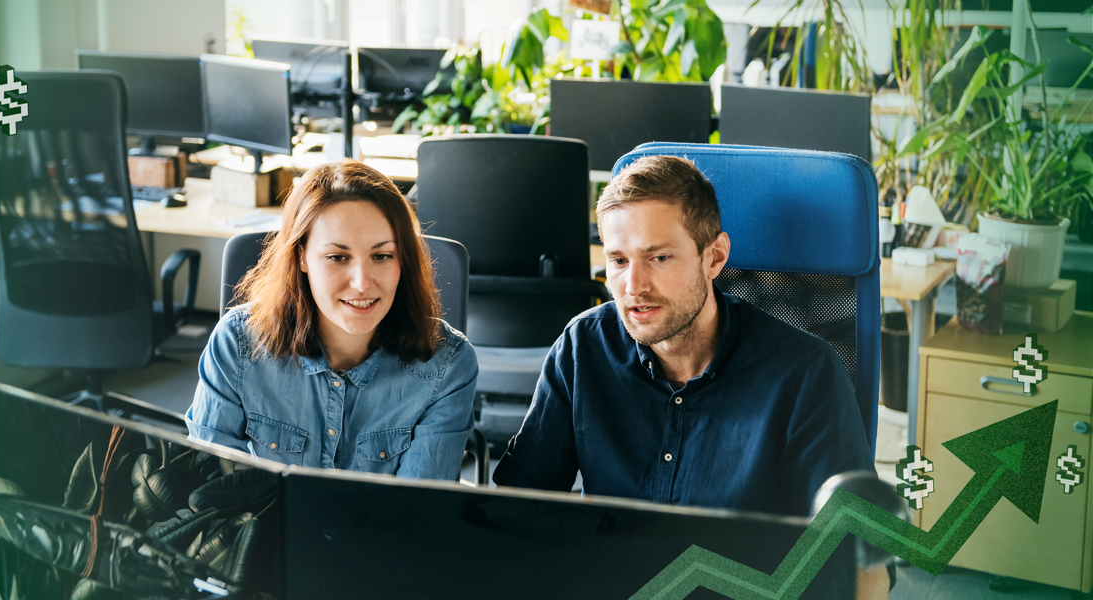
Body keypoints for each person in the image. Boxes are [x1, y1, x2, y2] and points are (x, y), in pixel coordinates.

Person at [492, 155, 890, 597]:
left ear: (714, 257)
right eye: (618, 261)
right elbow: (515, 508)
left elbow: (865, 567)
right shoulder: (584, 346)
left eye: (658, 257)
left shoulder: (803, 373)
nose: (633, 285)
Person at [186, 160, 478, 481]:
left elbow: (415, 514)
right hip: (269, 530)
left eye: (382, 256)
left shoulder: (448, 364)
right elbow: (211, 491)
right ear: (301, 257)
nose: (362, 283)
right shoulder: (237, 344)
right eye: (337, 257)